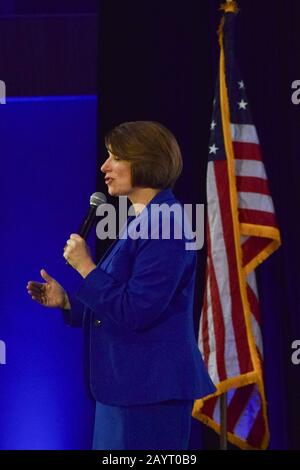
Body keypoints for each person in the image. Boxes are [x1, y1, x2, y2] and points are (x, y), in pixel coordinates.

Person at [27, 121, 215, 450]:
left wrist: (86, 266)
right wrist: (69, 302)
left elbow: (136, 310)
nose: (105, 167)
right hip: (127, 390)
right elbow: (123, 296)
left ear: (144, 161)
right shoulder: (146, 220)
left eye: (115, 157)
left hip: (147, 393)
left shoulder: (166, 224)